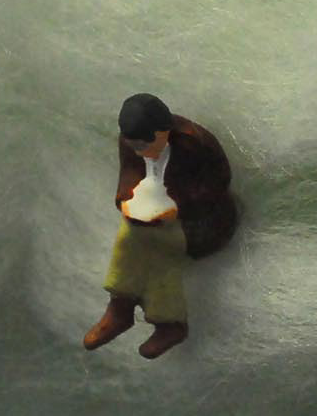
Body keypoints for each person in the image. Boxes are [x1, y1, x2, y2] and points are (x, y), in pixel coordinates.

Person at [83, 92, 238, 359]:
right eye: (134, 145)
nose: (140, 152)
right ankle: (122, 308)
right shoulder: (131, 143)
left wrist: (177, 207)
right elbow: (128, 176)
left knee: (158, 248)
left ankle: (164, 321)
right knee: (129, 236)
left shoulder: (194, 144)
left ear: (163, 130)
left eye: (145, 145)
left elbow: (218, 184)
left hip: (205, 224)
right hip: (156, 219)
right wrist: (126, 200)